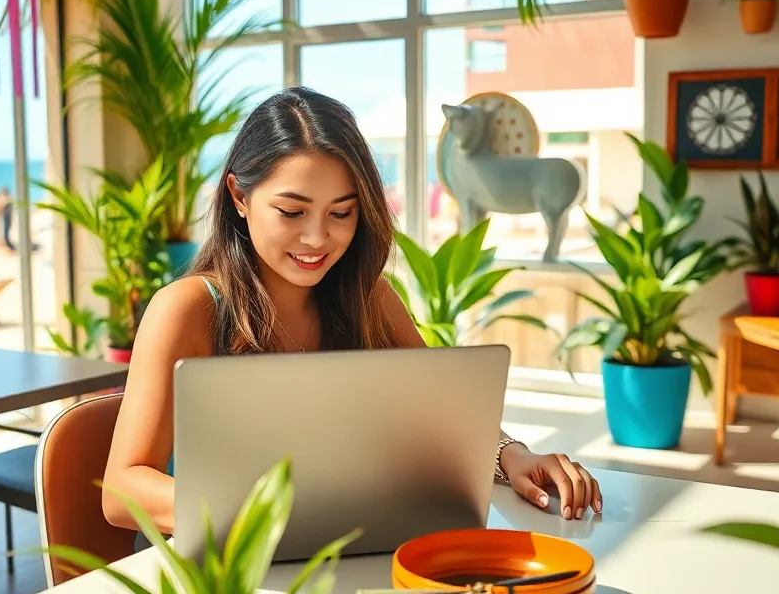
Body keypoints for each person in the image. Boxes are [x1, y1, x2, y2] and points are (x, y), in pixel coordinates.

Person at [101, 88, 601, 540]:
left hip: (336, 558)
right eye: (292, 212)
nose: (317, 238)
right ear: (238, 197)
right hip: (215, 573)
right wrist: (268, 514)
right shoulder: (187, 310)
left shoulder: (369, 298)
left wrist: (510, 454)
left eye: (341, 212)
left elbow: (445, 418)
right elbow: (122, 492)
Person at [0, 186, 16, 251]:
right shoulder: (7, 199)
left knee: (6, 232)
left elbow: (8, 208)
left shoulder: (8, 199)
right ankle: (9, 246)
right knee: (6, 232)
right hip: (6, 218)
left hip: (7, 218)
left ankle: (9, 246)